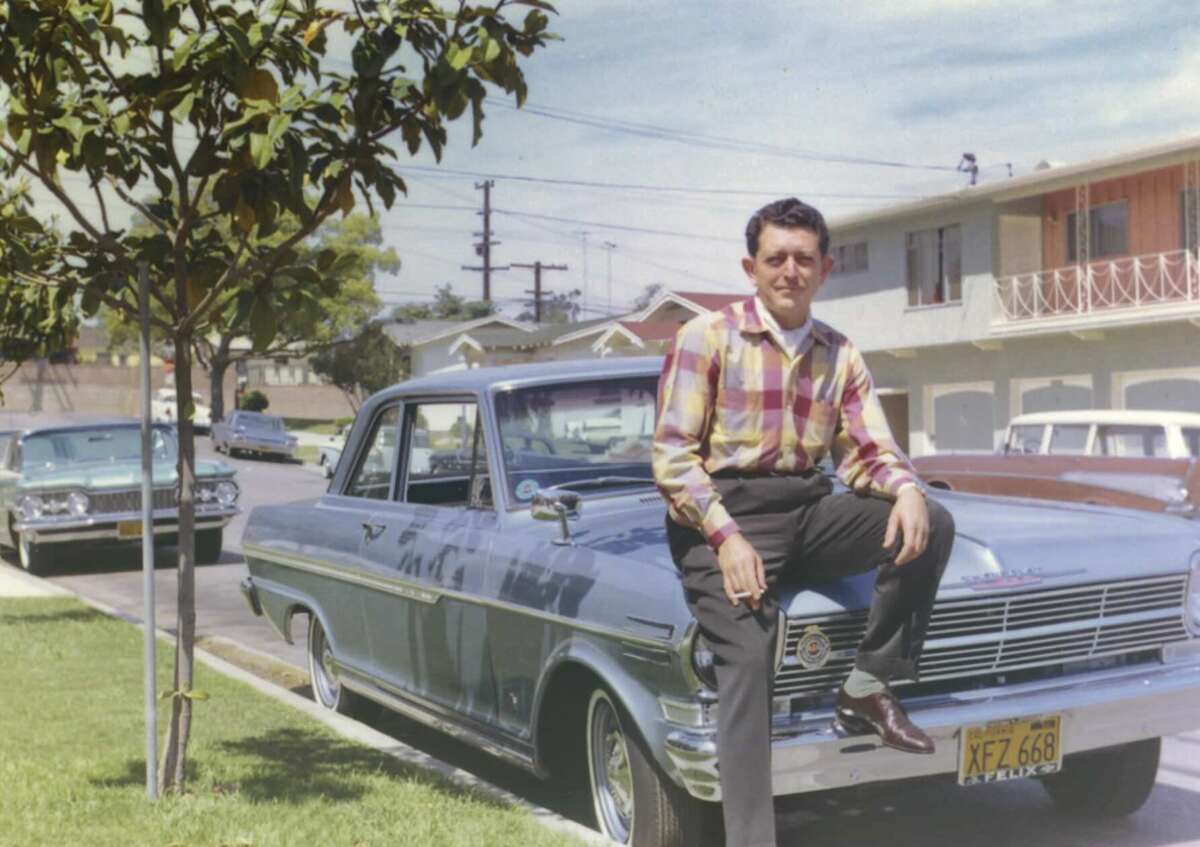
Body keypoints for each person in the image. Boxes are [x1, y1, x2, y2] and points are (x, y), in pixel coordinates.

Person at [653, 198, 955, 847]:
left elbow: (870, 448)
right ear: (751, 267)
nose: (790, 270)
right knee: (749, 657)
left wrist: (904, 488)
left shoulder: (839, 352)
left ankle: (868, 684)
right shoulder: (705, 336)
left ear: (825, 267)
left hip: (810, 505)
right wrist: (726, 538)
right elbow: (673, 457)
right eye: (776, 258)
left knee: (929, 517)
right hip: (724, 511)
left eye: (804, 258)